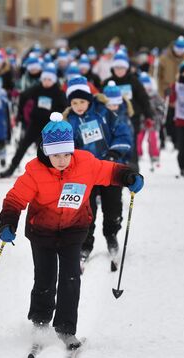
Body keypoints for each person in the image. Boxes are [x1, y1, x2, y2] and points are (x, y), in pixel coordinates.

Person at [0, 111, 143, 345]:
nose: (62, 159)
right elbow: (15, 198)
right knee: (44, 278)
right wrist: (8, 222)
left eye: (66, 153)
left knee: (71, 278)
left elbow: (109, 171)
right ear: (46, 151)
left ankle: (65, 327)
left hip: (74, 228)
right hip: (42, 231)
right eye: (56, 155)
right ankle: (40, 323)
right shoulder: (34, 172)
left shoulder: (85, 163)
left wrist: (128, 176)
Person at [63, 78, 133, 271]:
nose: (78, 106)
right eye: (74, 102)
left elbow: (123, 133)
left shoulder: (104, 113)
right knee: (87, 212)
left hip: (108, 169)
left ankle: (111, 235)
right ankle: (85, 244)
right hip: (85, 174)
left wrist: (114, 153)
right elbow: (65, 148)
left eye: (82, 102)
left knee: (112, 208)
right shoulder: (68, 121)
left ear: (89, 100)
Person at [0, 63, 67, 178]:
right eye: (44, 79)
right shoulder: (38, 88)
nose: (46, 82)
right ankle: (12, 167)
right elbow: (24, 95)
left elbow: (64, 107)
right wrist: (21, 113)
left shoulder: (58, 92)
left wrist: (56, 116)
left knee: (46, 150)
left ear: (54, 80)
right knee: (23, 145)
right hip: (35, 123)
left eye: (49, 79)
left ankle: (49, 171)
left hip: (49, 125)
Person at [104, 51, 153, 170]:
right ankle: (115, 166)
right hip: (111, 119)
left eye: (122, 68)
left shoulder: (134, 81)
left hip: (131, 117)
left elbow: (143, 98)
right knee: (114, 142)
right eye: (117, 68)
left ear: (127, 68)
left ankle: (132, 166)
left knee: (131, 141)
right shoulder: (107, 83)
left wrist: (148, 115)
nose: (119, 70)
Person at [154, 36, 184, 147]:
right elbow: (157, 75)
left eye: (182, 49)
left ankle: (177, 140)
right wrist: (160, 91)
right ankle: (162, 140)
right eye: (178, 48)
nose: (180, 51)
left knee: (177, 118)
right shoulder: (164, 58)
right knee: (164, 117)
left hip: (181, 92)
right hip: (166, 90)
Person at [137, 72, 162, 164]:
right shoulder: (138, 96)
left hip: (152, 120)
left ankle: (154, 154)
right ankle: (138, 153)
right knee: (139, 137)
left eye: (147, 87)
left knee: (152, 138)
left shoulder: (154, 96)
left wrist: (158, 114)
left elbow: (161, 106)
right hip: (141, 121)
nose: (146, 89)